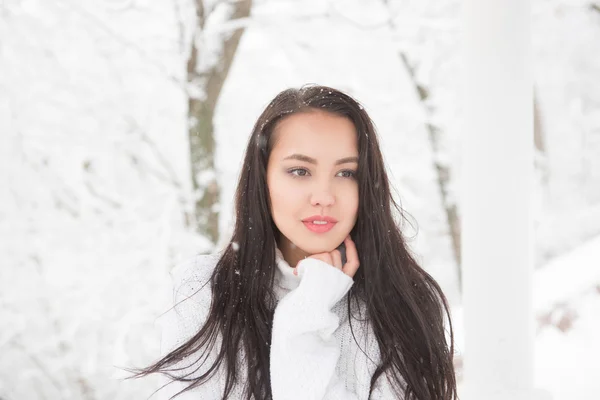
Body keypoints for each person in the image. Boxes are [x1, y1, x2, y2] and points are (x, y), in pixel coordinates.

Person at [131, 85, 457, 399]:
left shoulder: (403, 303)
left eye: (346, 173)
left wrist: (305, 320)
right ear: (263, 178)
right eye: (300, 171)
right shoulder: (204, 289)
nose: (324, 197)